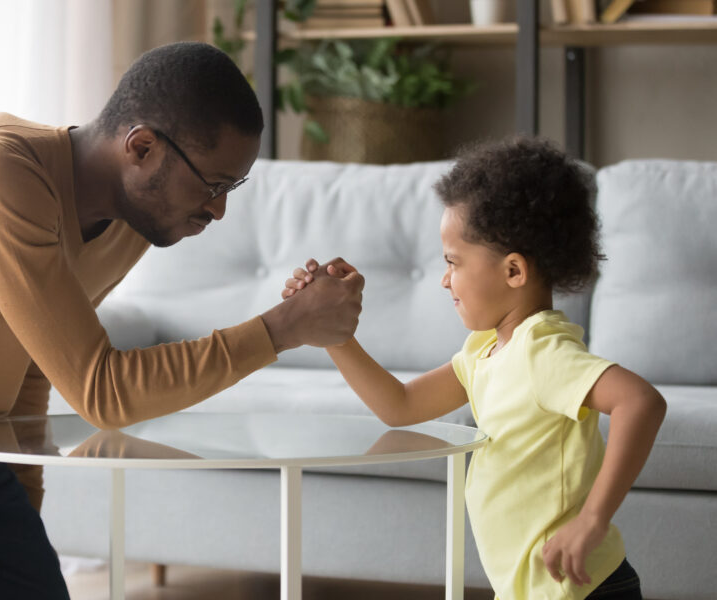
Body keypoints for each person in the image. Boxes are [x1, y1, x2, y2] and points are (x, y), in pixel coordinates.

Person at [0, 42, 364, 599]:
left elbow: (38, 355)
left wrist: (22, 503)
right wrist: (282, 328)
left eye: (233, 186)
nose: (218, 208)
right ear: (141, 147)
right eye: (211, 183)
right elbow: (103, 390)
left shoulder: (135, 222)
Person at [283, 138, 666, 600]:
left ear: (514, 272)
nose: (444, 278)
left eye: (452, 262)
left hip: (582, 590)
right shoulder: (484, 351)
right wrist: (335, 334)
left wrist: (592, 519)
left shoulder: (541, 350)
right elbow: (399, 406)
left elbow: (640, 401)